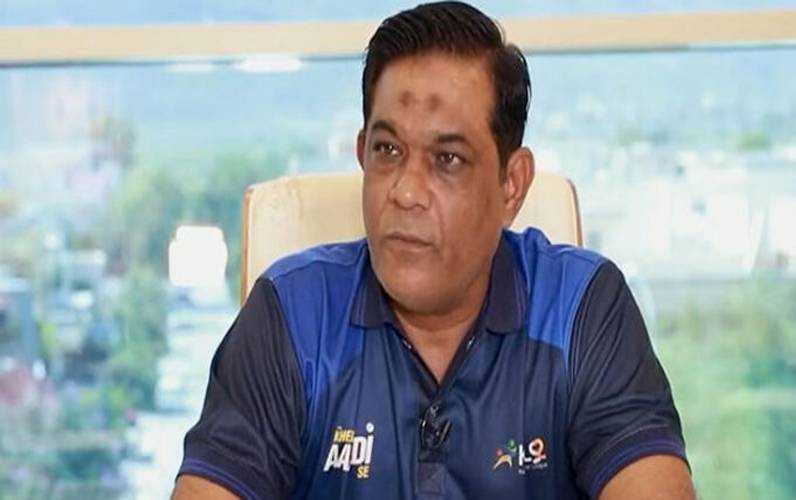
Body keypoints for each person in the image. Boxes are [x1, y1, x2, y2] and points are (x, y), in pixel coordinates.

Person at [172, 2, 694, 499]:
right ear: (362, 155)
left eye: (448, 159)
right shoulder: (291, 316)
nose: (405, 192)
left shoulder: (581, 311)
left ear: (511, 185)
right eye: (388, 150)